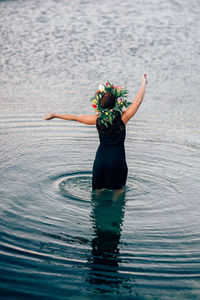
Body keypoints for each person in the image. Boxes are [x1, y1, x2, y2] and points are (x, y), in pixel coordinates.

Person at [44, 74, 148, 190]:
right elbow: (138, 100)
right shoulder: (124, 118)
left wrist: (55, 115)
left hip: (101, 161)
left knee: (98, 191)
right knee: (118, 193)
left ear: (101, 106)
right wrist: (143, 82)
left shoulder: (97, 120)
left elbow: (75, 117)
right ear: (116, 104)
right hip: (117, 161)